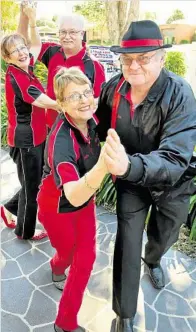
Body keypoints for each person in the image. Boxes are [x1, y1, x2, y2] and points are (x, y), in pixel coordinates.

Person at [96, 20, 196, 332]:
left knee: (163, 235)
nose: (133, 65)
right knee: (126, 242)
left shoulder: (180, 93)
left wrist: (128, 165)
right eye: (127, 59)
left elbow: (175, 156)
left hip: (173, 184)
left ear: (162, 58)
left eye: (144, 57)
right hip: (131, 184)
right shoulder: (113, 89)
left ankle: (153, 260)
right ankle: (124, 315)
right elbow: (97, 128)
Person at [37, 67, 108, 332]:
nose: (83, 99)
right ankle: (56, 265)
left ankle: (65, 321)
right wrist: (102, 167)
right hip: (57, 207)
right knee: (67, 254)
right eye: (73, 96)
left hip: (85, 202)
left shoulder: (91, 119)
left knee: (86, 257)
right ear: (61, 103)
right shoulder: (62, 140)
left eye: (86, 92)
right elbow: (72, 192)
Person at [1, 3, 59, 240]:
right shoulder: (17, 76)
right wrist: (68, 106)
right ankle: (24, 231)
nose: (23, 52)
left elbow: (35, 44)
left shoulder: (26, 68)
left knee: (32, 182)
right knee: (32, 186)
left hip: (36, 136)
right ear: (7, 57)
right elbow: (41, 100)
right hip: (26, 140)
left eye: (22, 47)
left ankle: (10, 208)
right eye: (15, 50)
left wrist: (31, 19)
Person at [18, 5, 106, 129]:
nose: (67, 36)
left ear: (82, 34)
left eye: (72, 32)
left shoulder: (94, 65)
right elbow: (22, 44)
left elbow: (99, 101)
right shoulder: (52, 51)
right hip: (52, 124)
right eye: (63, 32)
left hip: (79, 128)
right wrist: (25, 16)